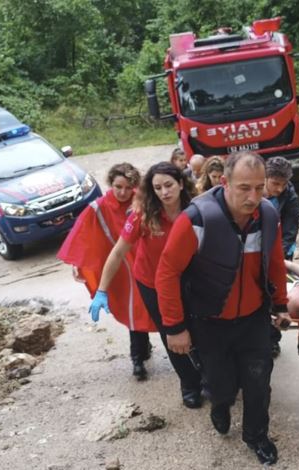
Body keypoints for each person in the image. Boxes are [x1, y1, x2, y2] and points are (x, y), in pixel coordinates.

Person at [156, 151, 290, 465]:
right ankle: (220, 404)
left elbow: (276, 263)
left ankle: (256, 435)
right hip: (209, 320)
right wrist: (175, 327)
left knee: (259, 381)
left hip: (253, 318)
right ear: (225, 182)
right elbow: (167, 272)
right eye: (244, 188)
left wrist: (281, 304)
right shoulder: (197, 219)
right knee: (221, 385)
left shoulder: (268, 215)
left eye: (259, 188)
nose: (253, 197)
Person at [87, 162, 205, 408]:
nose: (164, 192)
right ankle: (189, 383)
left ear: (181, 184)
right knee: (171, 333)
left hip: (190, 279)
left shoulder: (198, 209)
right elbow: (118, 253)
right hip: (152, 283)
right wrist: (101, 290)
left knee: (199, 328)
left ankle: (208, 374)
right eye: (158, 187)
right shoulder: (143, 215)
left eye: (169, 185)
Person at [57, 163, 156, 380]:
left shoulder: (144, 201)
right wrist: (79, 264)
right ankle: (137, 358)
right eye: (118, 186)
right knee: (133, 310)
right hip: (120, 268)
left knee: (153, 308)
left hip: (145, 263)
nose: (123, 192)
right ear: (111, 184)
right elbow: (83, 236)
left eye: (128, 187)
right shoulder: (99, 207)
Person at [265, 157, 299, 357]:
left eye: (283, 184)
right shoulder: (250, 192)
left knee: (277, 298)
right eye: (275, 184)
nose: (279, 189)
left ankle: (273, 339)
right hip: (252, 252)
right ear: (264, 178)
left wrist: (280, 258)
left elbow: (290, 228)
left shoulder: (290, 197)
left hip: (279, 253)